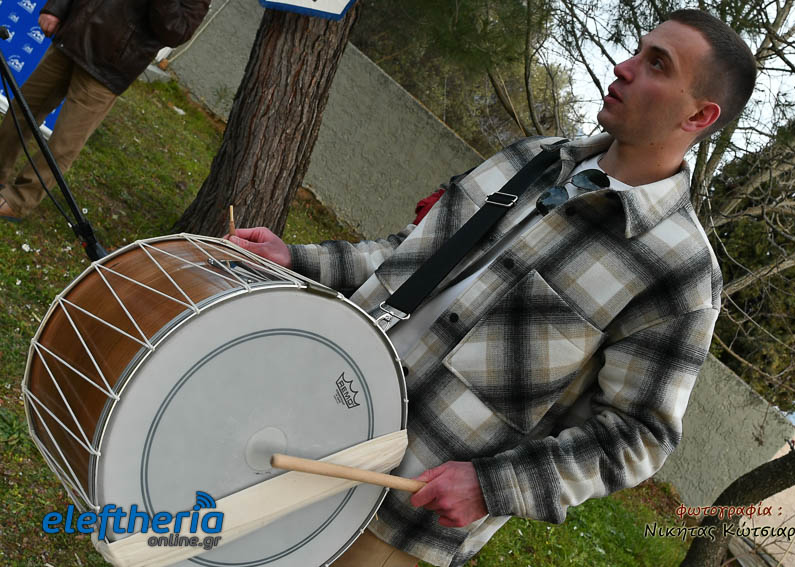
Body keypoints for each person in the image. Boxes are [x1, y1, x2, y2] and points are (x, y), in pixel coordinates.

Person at [228, 9, 756, 567]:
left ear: (700, 114)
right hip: (307, 417)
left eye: (657, 65)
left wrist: (496, 486)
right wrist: (297, 259)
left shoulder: (680, 271)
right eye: (638, 51)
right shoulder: (529, 159)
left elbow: (638, 436)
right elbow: (409, 257)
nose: (624, 67)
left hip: (393, 516)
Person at [0, 0, 210, 222]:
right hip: (72, 38)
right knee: (20, 112)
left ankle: (18, 201)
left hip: (108, 68)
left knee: (63, 144)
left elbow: (176, 32)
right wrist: (55, 8)